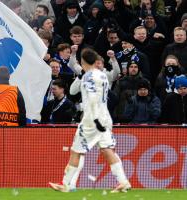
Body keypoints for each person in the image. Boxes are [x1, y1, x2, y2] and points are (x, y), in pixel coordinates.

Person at [49, 48, 131, 193]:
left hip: (92, 120)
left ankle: (66, 184)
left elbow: (93, 98)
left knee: (76, 151)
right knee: (106, 149)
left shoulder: (88, 77)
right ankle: (123, 181)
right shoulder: (103, 75)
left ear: (83, 61)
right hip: (105, 117)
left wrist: (94, 119)